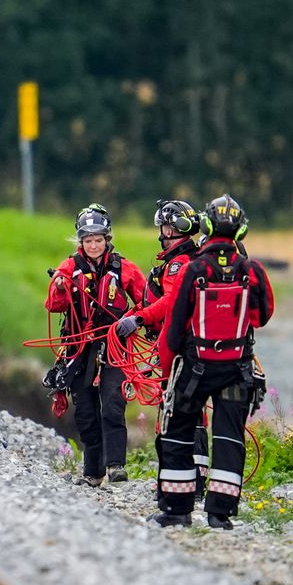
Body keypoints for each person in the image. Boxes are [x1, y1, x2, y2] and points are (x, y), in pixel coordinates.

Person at [149, 194, 275, 529]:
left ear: (204, 226)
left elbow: (175, 326)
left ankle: (177, 511)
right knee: (229, 438)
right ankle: (220, 515)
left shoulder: (194, 269)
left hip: (195, 368)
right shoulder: (253, 271)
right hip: (237, 369)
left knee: (178, 433)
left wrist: (170, 363)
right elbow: (262, 316)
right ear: (241, 230)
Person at [44, 204, 149, 486]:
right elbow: (53, 305)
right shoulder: (68, 268)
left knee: (113, 404)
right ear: (81, 241)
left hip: (115, 347)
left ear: (107, 240)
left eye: (98, 239)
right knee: (85, 410)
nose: (93, 245)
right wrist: (60, 288)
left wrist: (132, 320)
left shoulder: (123, 268)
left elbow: (145, 303)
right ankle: (92, 472)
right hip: (79, 349)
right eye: (88, 240)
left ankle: (116, 465)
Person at [117, 199, 208, 491]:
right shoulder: (181, 261)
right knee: (187, 412)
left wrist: (140, 319)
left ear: (174, 228)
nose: (162, 231)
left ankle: (180, 480)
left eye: (165, 226)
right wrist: (135, 314)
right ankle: (192, 478)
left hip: (179, 349)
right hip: (185, 346)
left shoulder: (178, 264)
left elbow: (170, 303)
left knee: (175, 412)